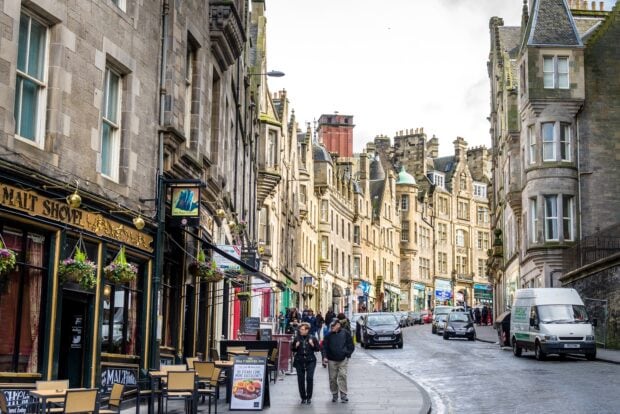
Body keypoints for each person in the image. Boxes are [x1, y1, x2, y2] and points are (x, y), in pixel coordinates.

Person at [321, 319, 354, 403]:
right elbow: (324, 347)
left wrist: (348, 354)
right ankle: (334, 394)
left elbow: (351, 344)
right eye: (331, 326)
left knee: (343, 375)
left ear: (338, 325)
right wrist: (324, 357)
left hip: (343, 359)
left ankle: (343, 394)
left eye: (333, 326)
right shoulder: (328, 335)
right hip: (332, 360)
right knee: (332, 378)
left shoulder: (345, 333)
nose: (331, 328)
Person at [291, 322, 320, 404]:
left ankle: (309, 397)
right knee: (301, 379)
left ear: (307, 330)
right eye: (300, 329)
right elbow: (292, 349)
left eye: (303, 329)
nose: (301, 331)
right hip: (299, 360)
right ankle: (303, 397)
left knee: (309, 378)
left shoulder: (312, 338)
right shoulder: (297, 338)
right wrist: (295, 346)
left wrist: (312, 344)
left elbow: (318, 349)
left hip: (310, 360)